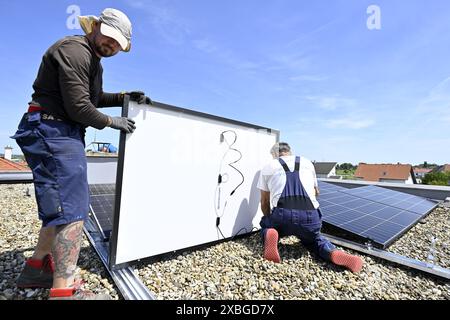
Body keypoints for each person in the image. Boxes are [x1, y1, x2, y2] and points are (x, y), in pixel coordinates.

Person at [11, 8, 152, 300]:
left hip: (57, 130)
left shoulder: (92, 60)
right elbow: (79, 107)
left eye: (118, 44)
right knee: (73, 211)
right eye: (110, 38)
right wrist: (114, 122)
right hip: (54, 130)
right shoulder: (75, 51)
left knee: (60, 207)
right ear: (96, 26)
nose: (111, 46)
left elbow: (93, 97)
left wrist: (125, 97)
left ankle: (36, 268)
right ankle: (63, 290)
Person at [258, 142, 363, 273]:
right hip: (309, 216)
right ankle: (332, 252)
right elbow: (316, 192)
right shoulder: (307, 163)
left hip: (282, 215)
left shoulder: (269, 166)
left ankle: (271, 233)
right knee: (314, 240)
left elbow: (264, 201)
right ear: (290, 151)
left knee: (266, 224)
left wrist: (268, 219)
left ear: (274, 154)